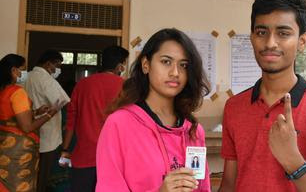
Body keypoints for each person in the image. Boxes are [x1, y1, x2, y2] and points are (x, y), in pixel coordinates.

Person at [219, 0, 306, 192]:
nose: (270, 43)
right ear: (252, 37)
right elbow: (229, 185)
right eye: (261, 32)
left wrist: (292, 161)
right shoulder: (234, 107)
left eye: (283, 33)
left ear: (302, 42)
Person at [96, 28, 211, 192]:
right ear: (145, 65)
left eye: (184, 65)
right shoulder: (119, 124)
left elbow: (203, 188)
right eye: (166, 62)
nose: (175, 72)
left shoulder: (194, 130)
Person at [59, 46, 129, 192]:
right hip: (114, 157)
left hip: (84, 156)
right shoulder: (126, 87)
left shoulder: (82, 84)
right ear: (119, 65)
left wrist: (65, 149)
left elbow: (71, 120)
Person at [0, 54, 58, 192]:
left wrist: (36, 112)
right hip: (19, 153)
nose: (25, 73)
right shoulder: (17, 92)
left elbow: (10, 116)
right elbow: (27, 127)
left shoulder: (3, 90)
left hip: (4, 146)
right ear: (14, 71)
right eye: (23, 69)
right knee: (19, 185)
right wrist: (50, 114)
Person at [25, 49, 70, 192]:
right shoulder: (47, 80)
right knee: (43, 173)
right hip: (47, 133)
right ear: (48, 63)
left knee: (30, 170)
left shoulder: (27, 76)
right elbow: (62, 102)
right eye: (57, 65)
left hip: (28, 129)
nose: (58, 69)